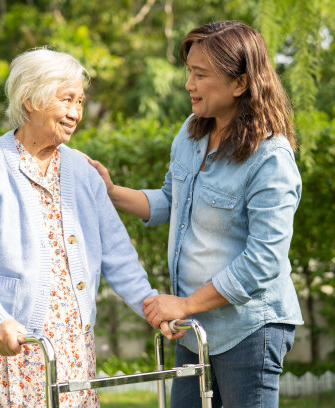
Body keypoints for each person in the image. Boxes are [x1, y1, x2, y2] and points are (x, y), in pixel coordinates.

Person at [89, 21, 303, 407]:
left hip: (249, 328)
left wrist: (184, 304)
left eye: (200, 74)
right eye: (189, 71)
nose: (189, 84)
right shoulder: (192, 132)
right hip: (193, 329)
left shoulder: (271, 158)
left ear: (240, 83)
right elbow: (172, 201)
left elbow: (264, 262)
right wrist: (111, 192)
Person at [0, 48, 157, 407]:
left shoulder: (83, 172)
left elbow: (118, 252)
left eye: (80, 101)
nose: (76, 113)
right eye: (66, 99)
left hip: (73, 347)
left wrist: (150, 303)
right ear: (30, 100)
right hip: (9, 346)